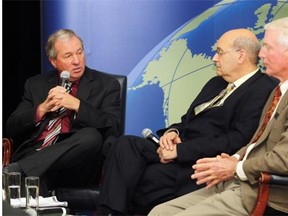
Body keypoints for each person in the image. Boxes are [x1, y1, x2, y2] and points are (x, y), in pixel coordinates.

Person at [96, 28, 279, 215]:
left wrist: (180, 152)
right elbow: (187, 120)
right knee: (124, 144)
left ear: (241, 56)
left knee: (138, 177)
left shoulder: (263, 90)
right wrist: (172, 133)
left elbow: (238, 139)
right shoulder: (215, 83)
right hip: (179, 148)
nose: (214, 58)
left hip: (200, 162)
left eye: (219, 52)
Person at [148, 17, 288, 216]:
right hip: (239, 181)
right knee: (158, 212)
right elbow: (257, 143)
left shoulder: (267, 89)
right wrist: (232, 158)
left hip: (265, 191)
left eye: (267, 47)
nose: (260, 53)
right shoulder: (279, 92)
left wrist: (236, 167)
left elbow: (283, 160)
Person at [3, 29, 122, 196]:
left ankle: (17, 170)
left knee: (91, 136)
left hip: (77, 165)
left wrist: (78, 105)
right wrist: (42, 109)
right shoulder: (36, 84)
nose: (76, 61)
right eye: (68, 56)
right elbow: (11, 127)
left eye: (79, 52)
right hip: (37, 155)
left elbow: (114, 127)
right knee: (35, 181)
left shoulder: (106, 85)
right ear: (53, 61)